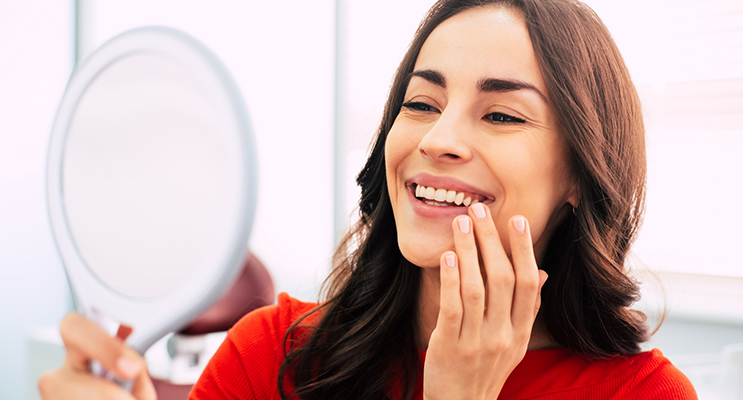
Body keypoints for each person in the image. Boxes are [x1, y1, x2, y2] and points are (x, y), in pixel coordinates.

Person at [39, 0, 698, 399]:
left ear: (581, 173)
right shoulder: (268, 357)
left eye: (500, 115)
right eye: (420, 103)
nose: (438, 139)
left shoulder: (645, 397)